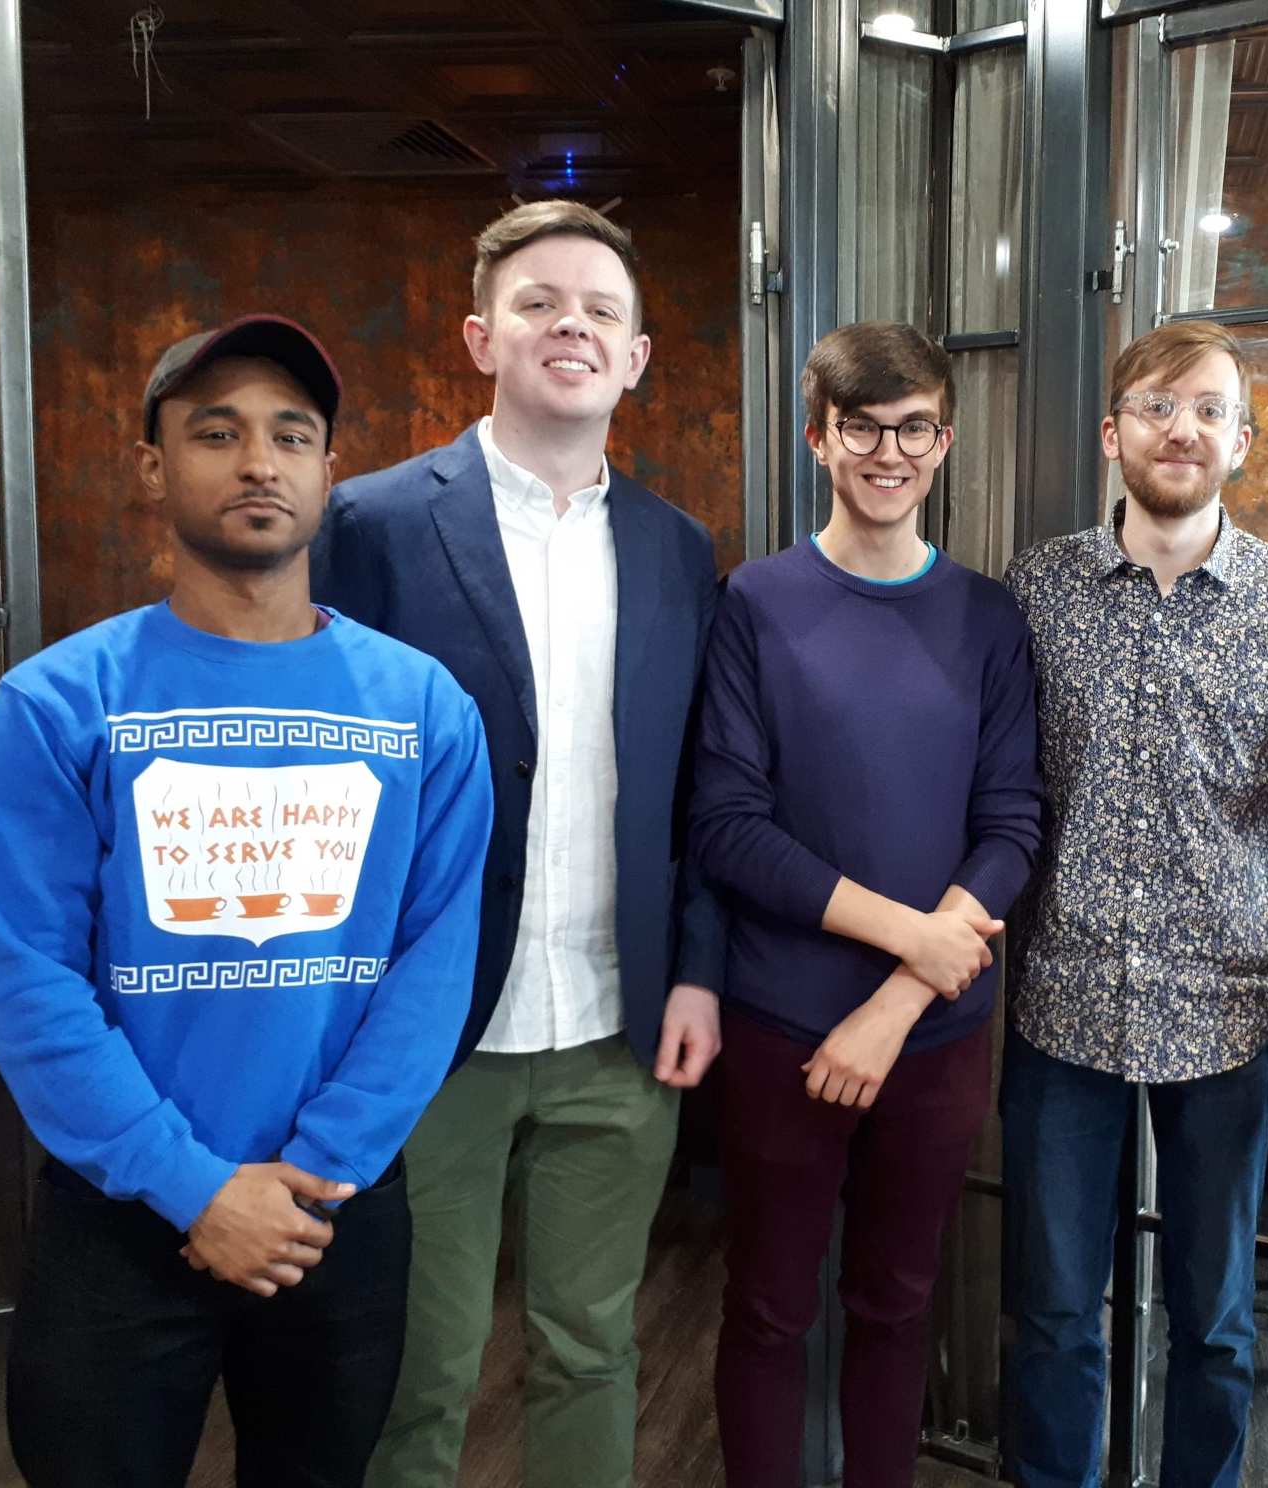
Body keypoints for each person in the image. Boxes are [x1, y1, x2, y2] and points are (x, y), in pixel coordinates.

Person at [0, 315, 494, 1488]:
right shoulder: (55, 707)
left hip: (333, 1211)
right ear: (154, 467)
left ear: (325, 471)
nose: (259, 461)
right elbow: (27, 979)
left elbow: (433, 963)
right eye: (218, 432)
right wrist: (191, 1186)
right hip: (120, 1213)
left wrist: (314, 1169)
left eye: (290, 435)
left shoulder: (425, 710)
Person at [311, 201, 724, 1488]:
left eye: (602, 310)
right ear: (481, 338)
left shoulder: (676, 549)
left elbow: (695, 789)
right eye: (542, 303)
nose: (572, 327)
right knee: (416, 1365)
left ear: (637, 357)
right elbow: (330, 779)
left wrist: (698, 969)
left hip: (618, 1020)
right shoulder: (370, 523)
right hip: (427, 1030)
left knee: (593, 1347)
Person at [1001, 319, 1268, 1488]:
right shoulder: (1040, 586)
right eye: (1159, 405)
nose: (1183, 428)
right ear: (1112, 430)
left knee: (1216, 1323)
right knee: (1054, 1313)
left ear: (1239, 440)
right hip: (1058, 1004)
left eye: (1209, 410)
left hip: (1222, 1012)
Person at [689, 321, 1042, 1488]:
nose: (887, 453)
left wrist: (897, 999)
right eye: (861, 429)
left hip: (933, 1038)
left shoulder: (987, 617)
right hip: (779, 1024)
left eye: (912, 430)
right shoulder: (753, 601)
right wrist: (909, 938)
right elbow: (729, 827)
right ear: (818, 438)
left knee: (897, 1308)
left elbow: (1010, 827)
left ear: (942, 440)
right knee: (770, 1308)